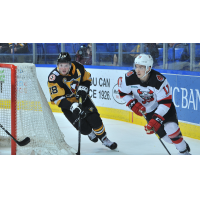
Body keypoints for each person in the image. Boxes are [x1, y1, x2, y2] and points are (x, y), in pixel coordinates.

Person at [117, 53, 191, 155]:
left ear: (148, 68)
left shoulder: (159, 80)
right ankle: (180, 143)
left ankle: (184, 152)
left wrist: (156, 118)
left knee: (171, 128)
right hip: (148, 111)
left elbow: (165, 103)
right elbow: (123, 93)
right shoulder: (129, 78)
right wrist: (132, 103)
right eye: (136, 66)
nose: (137, 70)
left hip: (164, 108)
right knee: (168, 139)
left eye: (141, 67)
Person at [47, 52, 117, 150]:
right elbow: (58, 99)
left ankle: (104, 139)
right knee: (83, 129)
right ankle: (90, 133)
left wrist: (84, 88)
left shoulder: (78, 67)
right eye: (61, 65)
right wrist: (72, 106)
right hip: (67, 104)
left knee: (95, 120)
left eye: (66, 65)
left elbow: (87, 79)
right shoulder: (53, 78)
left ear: (70, 64)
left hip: (81, 98)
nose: (63, 68)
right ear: (57, 65)